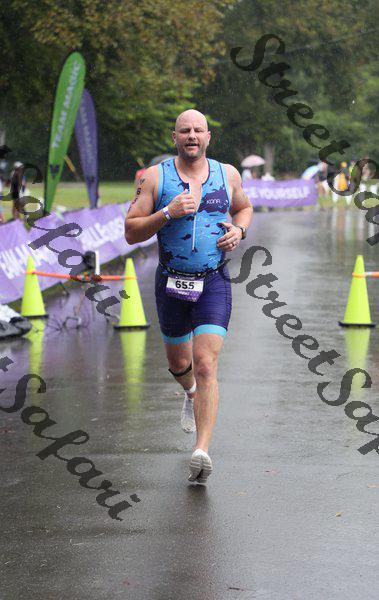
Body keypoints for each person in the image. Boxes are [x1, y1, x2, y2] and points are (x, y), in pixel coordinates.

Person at [125, 109, 253, 484]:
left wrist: (240, 231)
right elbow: (131, 232)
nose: (192, 136)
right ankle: (190, 392)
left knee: (206, 364)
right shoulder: (155, 177)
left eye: (198, 130)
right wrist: (167, 212)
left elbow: (244, 207)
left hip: (213, 281)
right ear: (175, 137)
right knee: (180, 364)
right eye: (185, 131)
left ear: (209, 137)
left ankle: (201, 451)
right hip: (171, 283)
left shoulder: (228, 174)